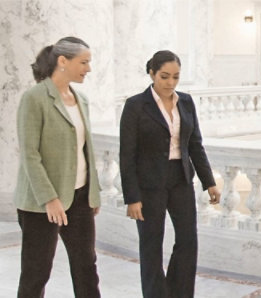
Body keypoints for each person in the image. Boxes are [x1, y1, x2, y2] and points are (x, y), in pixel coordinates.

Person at [120, 50, 221, 298]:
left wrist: (209, 182)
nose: (170, 83)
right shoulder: (135, 105)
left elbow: (195, 144)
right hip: (148, 185)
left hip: (180, 179)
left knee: (188, 241)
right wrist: (132, 197)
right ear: (152, 73)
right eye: (164, 76)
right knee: (151, 246)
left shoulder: (185, 102)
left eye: (176, 77)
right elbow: (127, 155)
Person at [14, 37, 101, 298]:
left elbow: (85, 150)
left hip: (80, 198)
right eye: (83, 62)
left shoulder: (81, 99)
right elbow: (30, 154)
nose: (88, 68)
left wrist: (92, 192)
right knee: (37, 271)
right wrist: (50, 199)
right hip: (42, 204)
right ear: (63, 61)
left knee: (86, 267)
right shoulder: (34, 98)